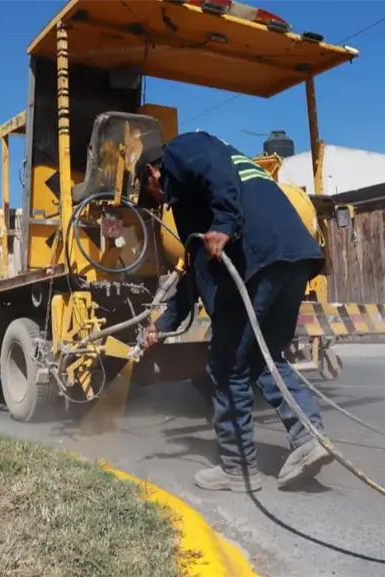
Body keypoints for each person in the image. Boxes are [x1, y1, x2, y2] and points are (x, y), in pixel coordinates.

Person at [136, 131, 333, 493]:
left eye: (152, 193)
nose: (160, 201)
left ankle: (238, 468)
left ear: (153, 173)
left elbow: (215, 174)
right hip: (292, 255)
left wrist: (224, 225)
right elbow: (196, 271)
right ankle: (309, 438)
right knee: (264, 357)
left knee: (226, 364)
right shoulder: (213, 183)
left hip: (259, 258)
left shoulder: (183, 150)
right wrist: (161, 326)